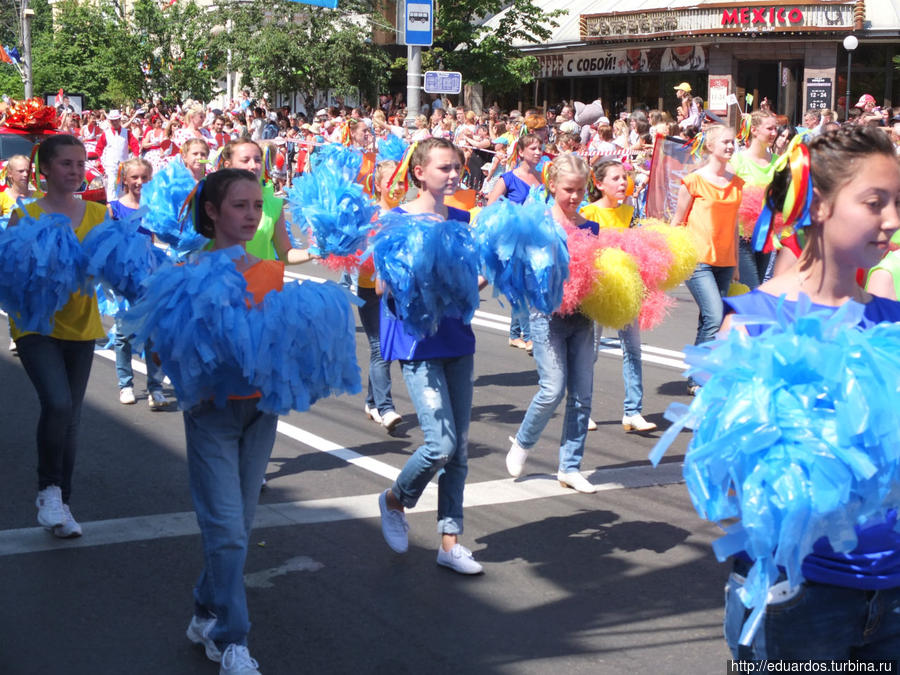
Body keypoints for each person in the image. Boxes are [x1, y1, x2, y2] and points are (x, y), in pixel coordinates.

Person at [719, 125, 900, 660]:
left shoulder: (892, 322)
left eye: (898, 202)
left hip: (892, 596)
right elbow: (729, 490)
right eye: (875, 202)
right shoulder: (754, 324)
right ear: (818, 205)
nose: (892, 220)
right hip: (795, 596)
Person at [179, 169, 283, 675]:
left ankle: (203, 610)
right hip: (212, 414)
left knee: (236, 528)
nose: (250, 215)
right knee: (227, 530)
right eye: (239, 206)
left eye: (256, 206)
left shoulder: (270, 270)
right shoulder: (189, 270)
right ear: (213, 212)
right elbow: (166, 349)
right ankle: (233, 638)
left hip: (261, 412)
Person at [376, 138, 484, 574]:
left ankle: (449, 542)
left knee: (458, 453)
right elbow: (384, 289)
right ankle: (394, 499)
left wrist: (490, 273)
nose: (454, 175)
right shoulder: (395, 220)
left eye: (457, 167)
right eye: (445, 168)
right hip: (418, 344)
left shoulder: (462, 218)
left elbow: (470, 287)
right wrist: (417, 281)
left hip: (458, 338)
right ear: (419, 172)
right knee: (440, 445)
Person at [7, 135, 107, 539]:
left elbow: (114, 266)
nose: (76, 171)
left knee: (71, 418)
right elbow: (10, 275)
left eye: (81, 163)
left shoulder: (99, 214)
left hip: (81, 325)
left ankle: (62, 503)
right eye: (66, 164)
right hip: (36, 325)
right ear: (44, 170)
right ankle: (48, 491)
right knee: (58, 402)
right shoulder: (25, 213)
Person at [505, 153, 600, 494]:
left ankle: (570, 466)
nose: (574, 197)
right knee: (552, 388)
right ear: (552, 186)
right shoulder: (539, 224)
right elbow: (516, 264)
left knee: (582, 395)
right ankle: (523, 442)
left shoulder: (591, 227)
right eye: (568, 189)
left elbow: (597, 271)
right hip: (546, 317)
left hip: (584, 317)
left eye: (580, 190)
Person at [580, 159, 657, 433]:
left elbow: (639, 247)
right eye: (616, 178)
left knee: (633, 350)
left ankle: (633, 412)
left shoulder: (630, 211)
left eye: (625, 177)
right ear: (599, 184)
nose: (623, 182)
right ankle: (581, 409)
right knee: (590, 352)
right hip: (598, 288)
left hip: (626, 287)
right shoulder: (588, 212)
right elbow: (583, 252)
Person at [669, 124, 743, 395]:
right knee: (713, 314)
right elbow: (677, 221)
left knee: (713, 317)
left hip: (724, 260)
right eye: (725, 142)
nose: (730, 146)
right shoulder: (694, 180)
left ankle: (700, 373)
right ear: (710, 146)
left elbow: (734, 226)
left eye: (733, 142)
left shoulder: (736, 183)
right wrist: (675, 258)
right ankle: (698, 378)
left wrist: (734, 263)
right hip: (697, 258)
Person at [105, 157, 171, 410]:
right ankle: (126, 384)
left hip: (149, 275)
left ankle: (155, 387)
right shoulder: (113, 209)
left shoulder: (153, 207)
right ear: (124, 179)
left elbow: (159, 237)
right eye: (134, 177)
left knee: (154, 333)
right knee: (123, 334)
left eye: (144, 177)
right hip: (123, 277)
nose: (140, 182)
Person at [487, 133, 545, 352]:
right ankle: (530, 337)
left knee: (528, 287)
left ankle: (514, 334)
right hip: (513, 241)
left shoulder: (542, 178)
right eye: (533, 148)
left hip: (535, 240)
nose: (538, 152)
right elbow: (491, 205)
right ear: (521, 152)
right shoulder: (508, 178)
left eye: (540, 148)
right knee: (523, 287)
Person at [356, 160, 403, 432]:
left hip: (395, 289)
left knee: (386, 348)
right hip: (369, 287)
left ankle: (372, 401)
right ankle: (385, 408)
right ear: (378, 184)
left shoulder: (405, 214)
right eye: (390, 182)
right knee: (379, 348)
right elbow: (359, 252)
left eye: (400, 183)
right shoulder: (370, 214)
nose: (396, 188)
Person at [218, 139, 312, 264]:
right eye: (245, 160)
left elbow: (285, 253)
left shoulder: (273, 202)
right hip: (223, 280)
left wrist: (315, 252)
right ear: (228, 166)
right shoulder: (212, 199)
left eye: (258, 160)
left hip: (262, 280)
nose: (253, 166)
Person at [731, 111, 777, 288]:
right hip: (741, 236)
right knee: (750, 288)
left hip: (766, 234)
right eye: (770, 128)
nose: (774, 133)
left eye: (775, 128)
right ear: (755, 130)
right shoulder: (737, 161)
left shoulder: (778, 162)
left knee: (758, 287)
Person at [94, 110, 140, 201]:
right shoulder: (106, 133)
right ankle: (112, 208)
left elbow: (135, 144)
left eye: (116, 120)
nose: (114, 122)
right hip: (110, 165)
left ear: (119, 120)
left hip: (123, 164)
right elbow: (99, 148)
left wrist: (135, 155)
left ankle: (121, 208)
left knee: (122, 188)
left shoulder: (126, 132)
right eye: (112, 120)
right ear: (109, 121)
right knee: (111, 186)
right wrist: (98, 160)